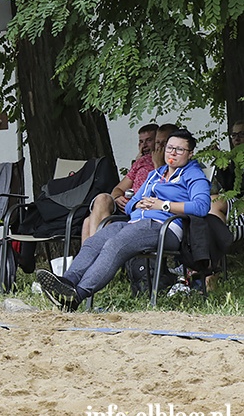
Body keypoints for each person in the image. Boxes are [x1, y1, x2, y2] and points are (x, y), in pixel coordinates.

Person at [36, 129, 211, 310]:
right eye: (170, 148)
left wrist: (163, 205)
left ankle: (76, 296)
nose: (172, 153)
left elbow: (201, 206)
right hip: (134, 223)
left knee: (115, 244)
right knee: (95, 241)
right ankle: (67, 282)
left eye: (179, 150)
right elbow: (129, 204)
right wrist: (137, 205)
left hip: (164, 227)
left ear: (190, 154)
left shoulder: (193, 175)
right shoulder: (155, 174)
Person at [81, 123, 160, 241]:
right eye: (141, 142)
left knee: (88, 222)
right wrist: (117, 197)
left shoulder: (167, 165)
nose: (144, 146)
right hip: (124, 208)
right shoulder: (140, 163)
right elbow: (117, 189)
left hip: (142, 211)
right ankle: (93, 254)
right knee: (102, 199)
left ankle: (94, 252)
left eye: (148, 141)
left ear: (158, 142)